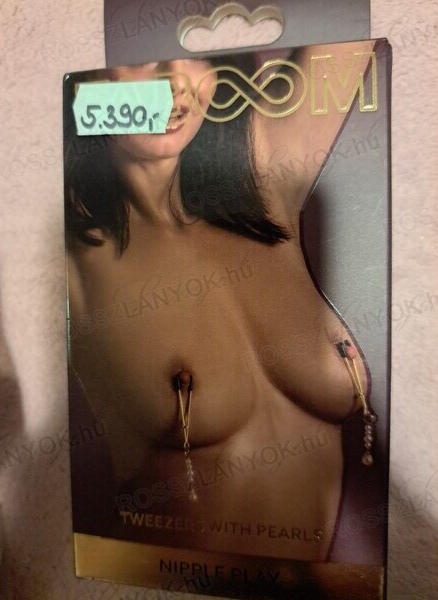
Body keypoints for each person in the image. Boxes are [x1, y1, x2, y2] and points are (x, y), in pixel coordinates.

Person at [65, 41, 375, 561]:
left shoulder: (264, 180)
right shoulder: (71, 257)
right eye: (143, 58)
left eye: (195, 57)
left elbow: (346, 36)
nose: (175, 82)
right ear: (84, 85)